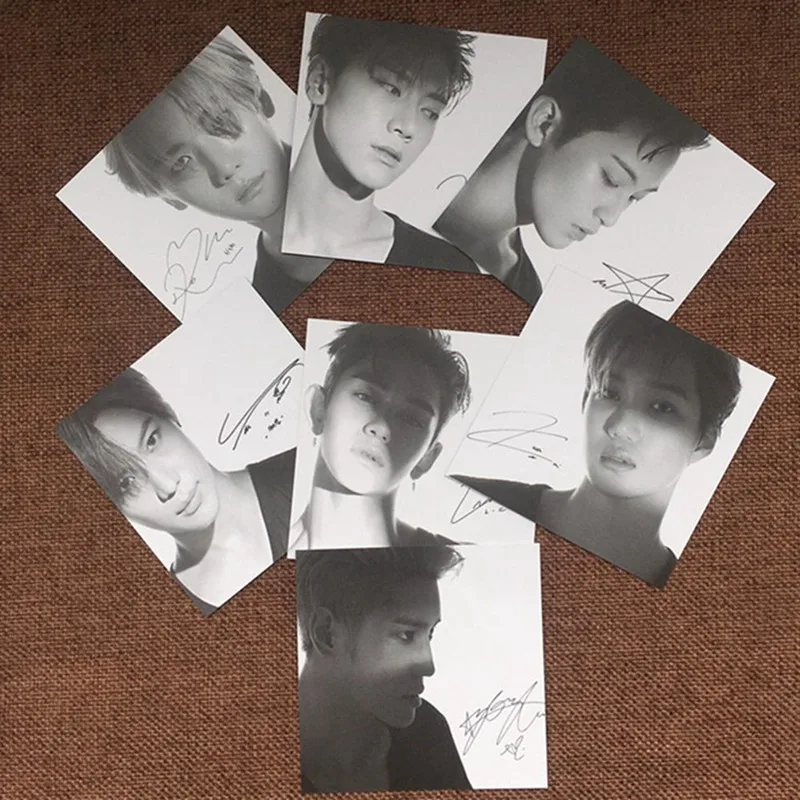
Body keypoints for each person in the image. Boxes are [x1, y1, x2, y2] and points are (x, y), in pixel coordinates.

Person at [452, 301, 741, 587]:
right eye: (609, 392)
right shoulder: (460, 497)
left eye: (662, 407)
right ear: (584, 400)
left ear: (704, 440)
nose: (619, 427)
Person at [433, 38, 711, 306]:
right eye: (612, 179)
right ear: (544, 123)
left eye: (634, 198)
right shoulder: (420, 179)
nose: (610, 218)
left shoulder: (525, 290)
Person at [103, 33, 329, 313]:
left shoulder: (373, 169)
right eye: (182, 162)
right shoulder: (268, 311)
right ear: (170, 198)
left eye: (220, 121)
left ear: (261, 99)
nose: (223, 168)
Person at [56, 368, 296, 614]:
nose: (168, 486)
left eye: (152, 441)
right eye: (126, 483)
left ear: (169, 414)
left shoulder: (305, 470)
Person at [283, 14, 480, 272]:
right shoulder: (245, 228)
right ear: (319, 82)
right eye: (391, 89)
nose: (408, 127)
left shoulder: (445, 266)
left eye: (430, 112)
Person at [296, 545, 471, 793]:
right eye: (406, 635)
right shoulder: (256, 752)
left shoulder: (426, 731)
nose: (428, 666)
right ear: (327, 634)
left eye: (430, 634)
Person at [291, 323, 471, 551]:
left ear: (427, 458)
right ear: (317, 409)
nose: (382, 427)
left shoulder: (455, 565)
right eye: (365, 397)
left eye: (411, 419)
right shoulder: (257, 547)